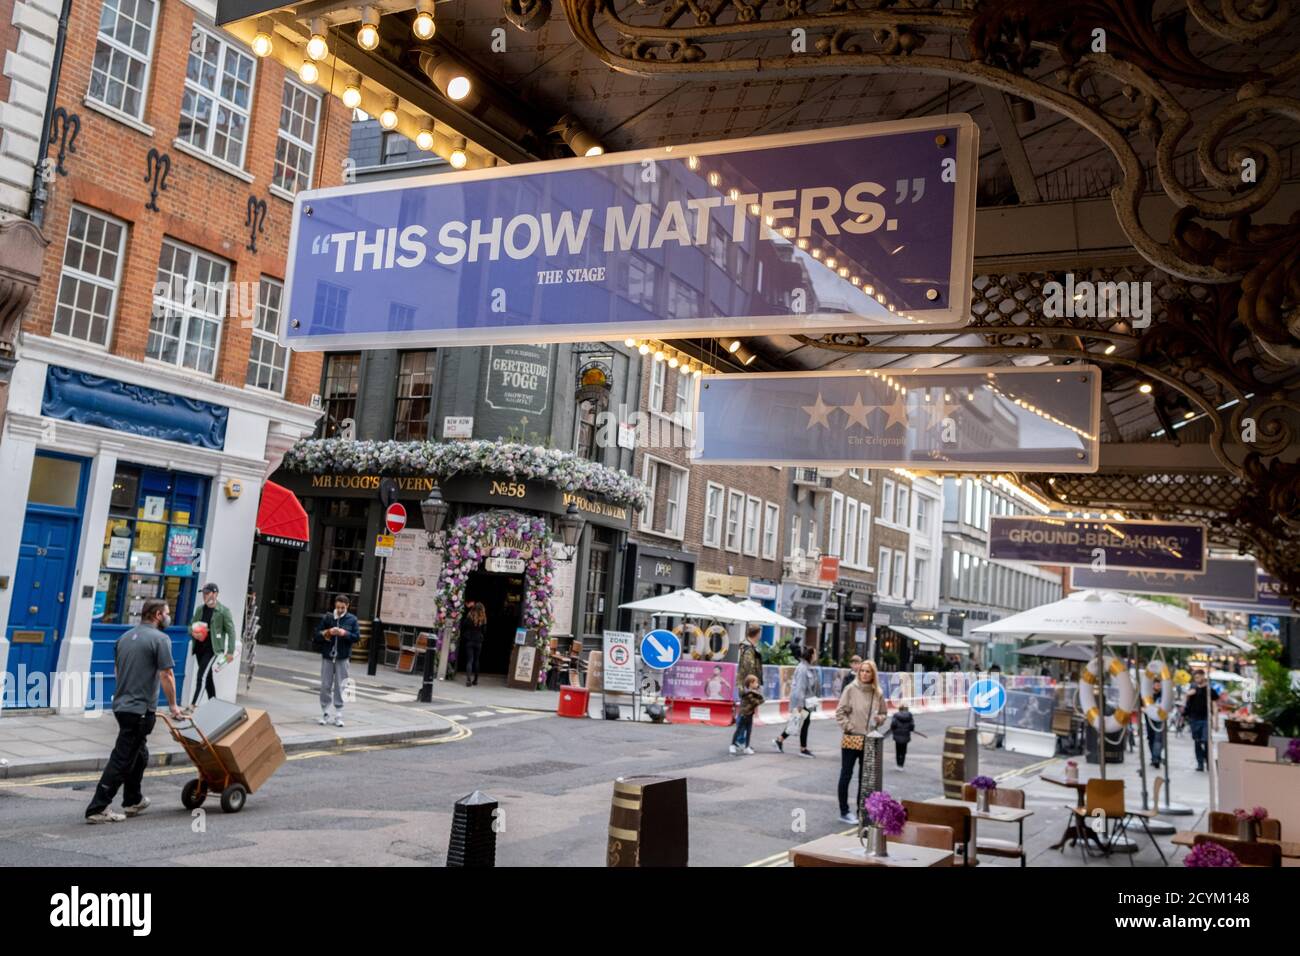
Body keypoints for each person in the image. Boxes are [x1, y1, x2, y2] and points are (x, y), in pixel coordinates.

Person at [85, 599, 184, 823]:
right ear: (158, 615)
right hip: (140, 710)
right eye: (167, 613)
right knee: (122, 758)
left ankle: (133, 800)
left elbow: (118, 670)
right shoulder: (160, 639)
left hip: (122, 707)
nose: (169, 617)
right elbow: (166, 675)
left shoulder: (124, 637)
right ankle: (97, 807)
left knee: (139, 754)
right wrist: (173, 706)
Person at [835, 659, 888, 824]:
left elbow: (884, 713)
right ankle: (844, 811)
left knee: (865, 778)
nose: (864, 674)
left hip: (870, 740)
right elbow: (839, 712)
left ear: (873, 674)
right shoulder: (850, 689)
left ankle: (862, 811)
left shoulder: (877, 692)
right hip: (852, 738)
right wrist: (849, 727)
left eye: (868, 671)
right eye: (862, 671)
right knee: (846, 774)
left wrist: (879, 719)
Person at [186, 582, 236, 712]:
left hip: (213, 649)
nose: (205, 596)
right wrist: (193, 632)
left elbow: (231, 632)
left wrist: (230, 652)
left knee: (201, 675)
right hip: (199, 648)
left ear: (215, 594)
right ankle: (214, 703)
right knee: (207, 677)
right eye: (203, 593)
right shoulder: (200, 609)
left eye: (207, 593)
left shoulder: (223, 611)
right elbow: (190, 625)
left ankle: (193, 705)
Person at [315, 594, 360, 727]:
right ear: (335, 605)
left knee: (341, 686)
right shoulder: (328, 618)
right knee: (325, 685)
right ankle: (325, 712)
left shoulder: (352, 619)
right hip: (328, 656)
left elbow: (357, 638)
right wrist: (328, 632)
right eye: (338, 607)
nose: (340, 610)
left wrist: (344, 633)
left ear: (347, 606)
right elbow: (317, 635)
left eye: (343, 607)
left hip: (343, 657)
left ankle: (338, 714)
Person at [775, 645, 819, 757]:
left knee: (799, 722)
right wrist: (799, 705)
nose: (816, 655)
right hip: (803, 702)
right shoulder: (803, 668)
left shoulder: (809, 667)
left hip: (809, 701)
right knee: (801, 722)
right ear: (811, 655)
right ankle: (802, 749)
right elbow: (800, 687)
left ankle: (780, 740)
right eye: (815, 653)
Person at [1183, 669, 1220, 771]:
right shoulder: (1192, 689)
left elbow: (1215, 706)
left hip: (1206, 719)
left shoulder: (1210, 691)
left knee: (1206, 741)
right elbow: (1185, 704)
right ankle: (1200, 763)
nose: (1197, 680)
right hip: (1194, 719)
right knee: (1197, 742)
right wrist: (1187, 695)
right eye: (1195, 678)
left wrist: (1216, 722)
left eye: (1198, 677)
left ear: (1203, 676)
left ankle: (1208, 761)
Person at [730, 674, 765, 756]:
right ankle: (732, 745)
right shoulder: (749, 694)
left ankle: (747, 747)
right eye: (756, 683)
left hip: (749, 714)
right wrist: (761, 698)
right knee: (739, 730)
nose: (757, 684)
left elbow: (760, 700)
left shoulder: (753, 693)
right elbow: (757, 702)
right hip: (744, 714)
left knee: (749, 731)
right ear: (750, 683)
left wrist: (759, 696)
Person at [884, 702, 925, 769]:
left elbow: (893, 724)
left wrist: (893, 729)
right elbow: (912, 725)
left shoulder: (896, 715)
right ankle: (901, 765)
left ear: (900, 709)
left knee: (898, 750)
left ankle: (898, 764)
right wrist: (911, 729)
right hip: (906, 736)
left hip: (897, 736)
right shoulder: (910, 716)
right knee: (903, 751)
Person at [460, 602, 486, 687]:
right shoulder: (483, 618)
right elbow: (484, 631)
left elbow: (463, 626)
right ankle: (475, 680)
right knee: (477, 660)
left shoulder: (469, 616)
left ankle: (468, 680)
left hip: (470, 640)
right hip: (478, 641)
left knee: (470, 660)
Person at [1145, 677, 1165, 768]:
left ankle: (1156, 758)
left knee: (1158, 738)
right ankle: (1155, 756)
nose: (1159, 686)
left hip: (1159, 718)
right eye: (1157, 684)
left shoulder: (1164, 694)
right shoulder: (1146, 694)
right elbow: (1140, 706)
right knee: (1151, 738)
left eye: (1160, 684)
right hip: (1149, 718)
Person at [736, 624, 763, 690]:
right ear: (758, 634)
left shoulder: (749, 648)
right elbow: (749, 668)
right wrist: (754, 684)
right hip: (749, 686)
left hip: (749, 684)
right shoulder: (748, 649)